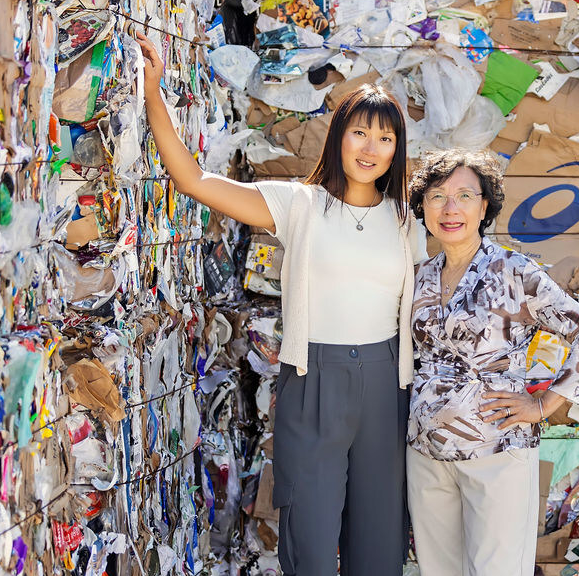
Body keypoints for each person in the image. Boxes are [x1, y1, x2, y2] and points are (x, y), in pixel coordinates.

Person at [135, 32, 424, 576]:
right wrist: (154, 94)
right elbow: (194, 180)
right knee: (309, 544)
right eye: (359, 132)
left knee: (379, 549)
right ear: (338, 137)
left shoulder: (408, 220)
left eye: (383, 139)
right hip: (313, 379)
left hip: (389, 386)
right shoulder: (301, 204)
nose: (369, 148)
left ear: (396, 150)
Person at [405, 149, 579, 576]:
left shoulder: (512, 271)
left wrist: (543, 405)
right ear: (422, 207)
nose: (450, 209)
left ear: (484, 207)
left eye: (464, 196)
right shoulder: (418, 275)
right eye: (437, 196)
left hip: (496, 451)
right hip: (425, 453)